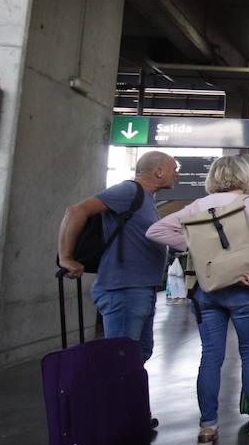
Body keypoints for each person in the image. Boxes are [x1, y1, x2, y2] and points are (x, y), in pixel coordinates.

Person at [145, 155, 249, 445]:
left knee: (210, 356)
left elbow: (155, 230)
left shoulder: (196, 206)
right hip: (245, 287)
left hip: (207, 289)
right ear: (244, 176)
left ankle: (207, 426)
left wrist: (195, 246)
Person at [57, 150, 179, 363]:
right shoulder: (129, 191)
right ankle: (106, 397)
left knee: (139, 354)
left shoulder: (147, 199)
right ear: (158, 172)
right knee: (120, 359)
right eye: (173, 169)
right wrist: (65, 257)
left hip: (140, 289)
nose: (176, 174)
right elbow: (75, 211)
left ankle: (127, 397)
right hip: (124, 290)